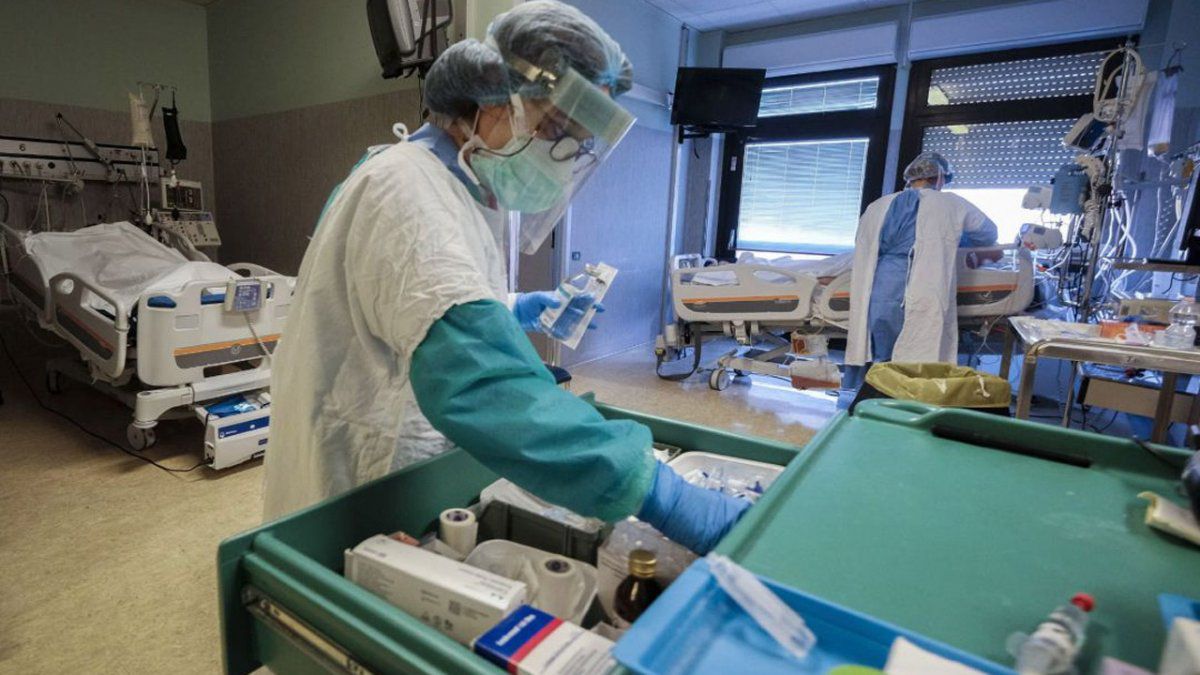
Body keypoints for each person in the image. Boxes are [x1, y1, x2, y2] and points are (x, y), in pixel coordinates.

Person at [261, 1, 747, 555]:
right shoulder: (407, 191)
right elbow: (483, 386)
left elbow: (419, 305)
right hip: (360, 471)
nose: (563, 155)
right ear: (494, 101)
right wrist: (657, 491)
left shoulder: (463, 186)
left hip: (402, 455)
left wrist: (515, 308)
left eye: (578, 143)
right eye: (557, 129)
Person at [845, 151, 998, 369]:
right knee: (921, 345)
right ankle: (909, 385)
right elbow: (988, 233)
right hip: (926, 279)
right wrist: (961, 239)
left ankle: (879, 382)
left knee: (883, 346)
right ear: (940, 177)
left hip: (882, 283)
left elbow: (863, 243)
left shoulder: (878, 205)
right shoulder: (951, 203)